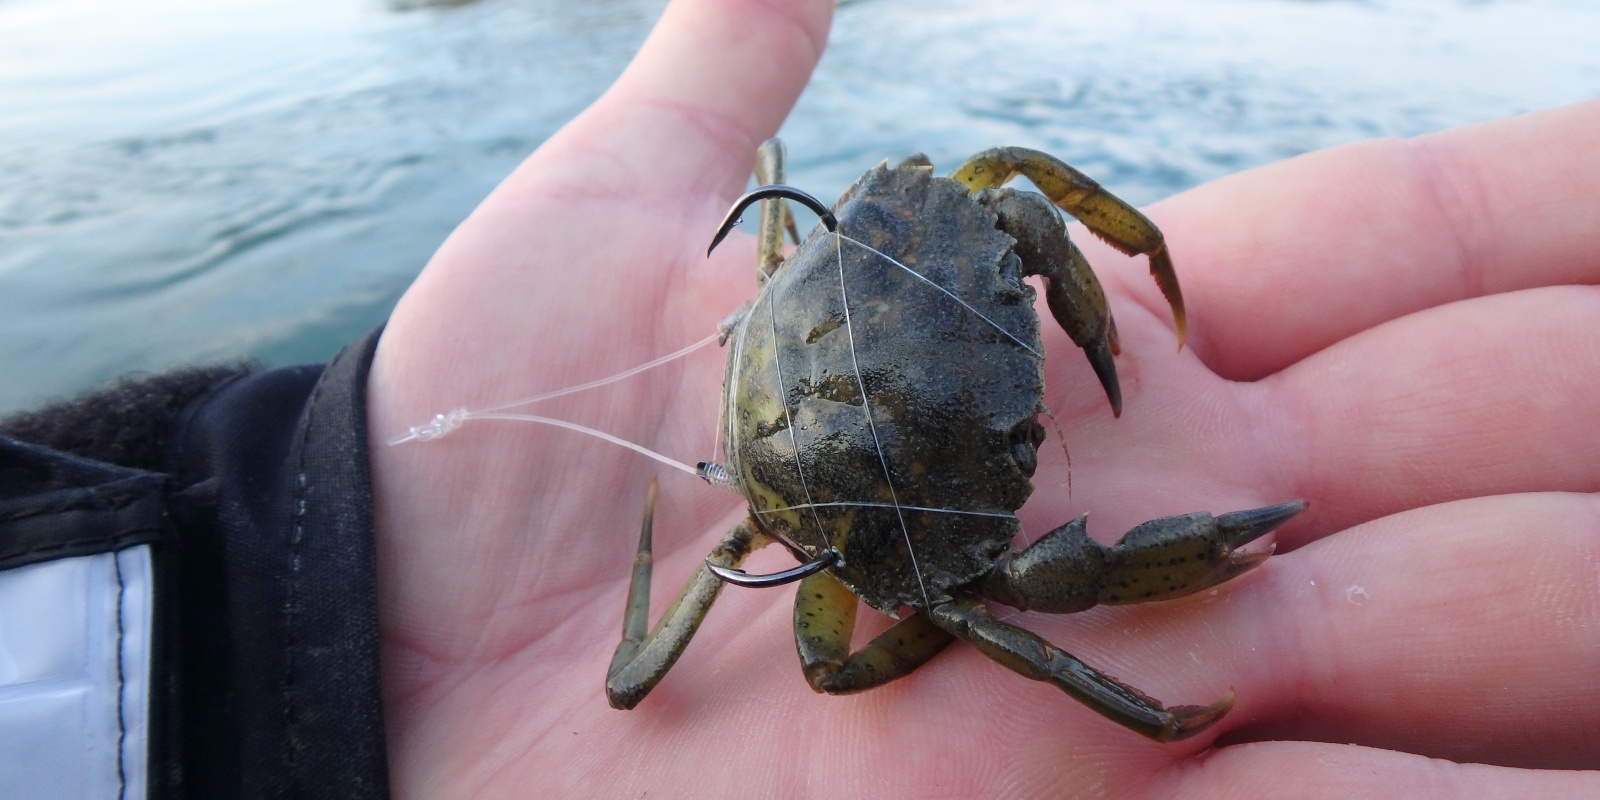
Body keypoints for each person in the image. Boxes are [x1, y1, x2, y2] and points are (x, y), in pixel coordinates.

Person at [2, 0, 1596, 796]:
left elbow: (1021, 203)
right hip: (851, 510)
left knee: (1011, 193)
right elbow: (732, 676)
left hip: (835, 382)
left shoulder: (892, 218)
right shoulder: (842, 586)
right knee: (950, 628)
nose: (1031, 412)